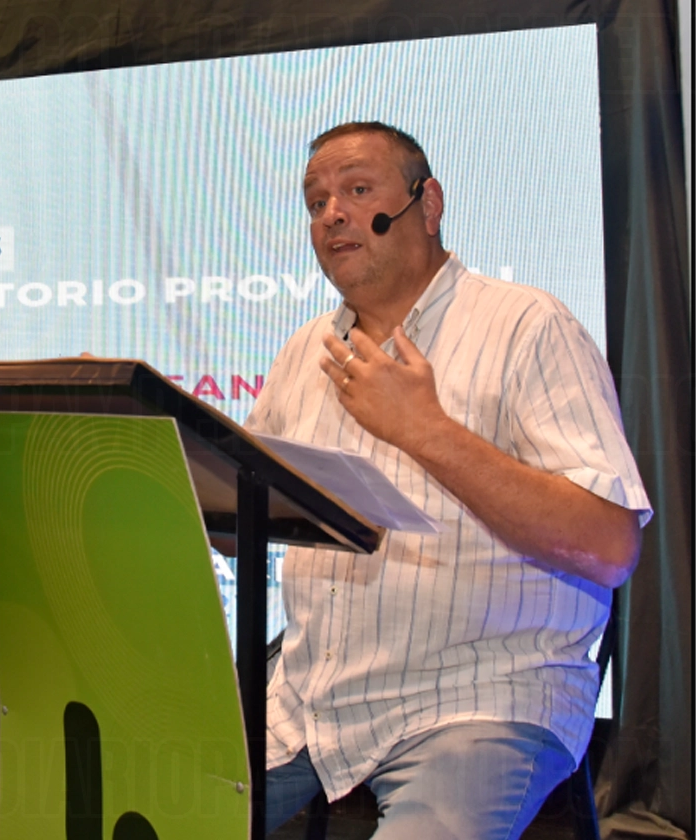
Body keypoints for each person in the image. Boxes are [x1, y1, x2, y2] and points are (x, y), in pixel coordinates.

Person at [244, 122, 651, 839]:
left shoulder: (527, 325)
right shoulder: (306, 349)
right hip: (309, 700)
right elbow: (245, 509)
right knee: (135, 809)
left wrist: (426, 430)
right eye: (315, 202)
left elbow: (608, 545)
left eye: (356, 190)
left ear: (426, 204)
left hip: (479, 698)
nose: (331, 214)